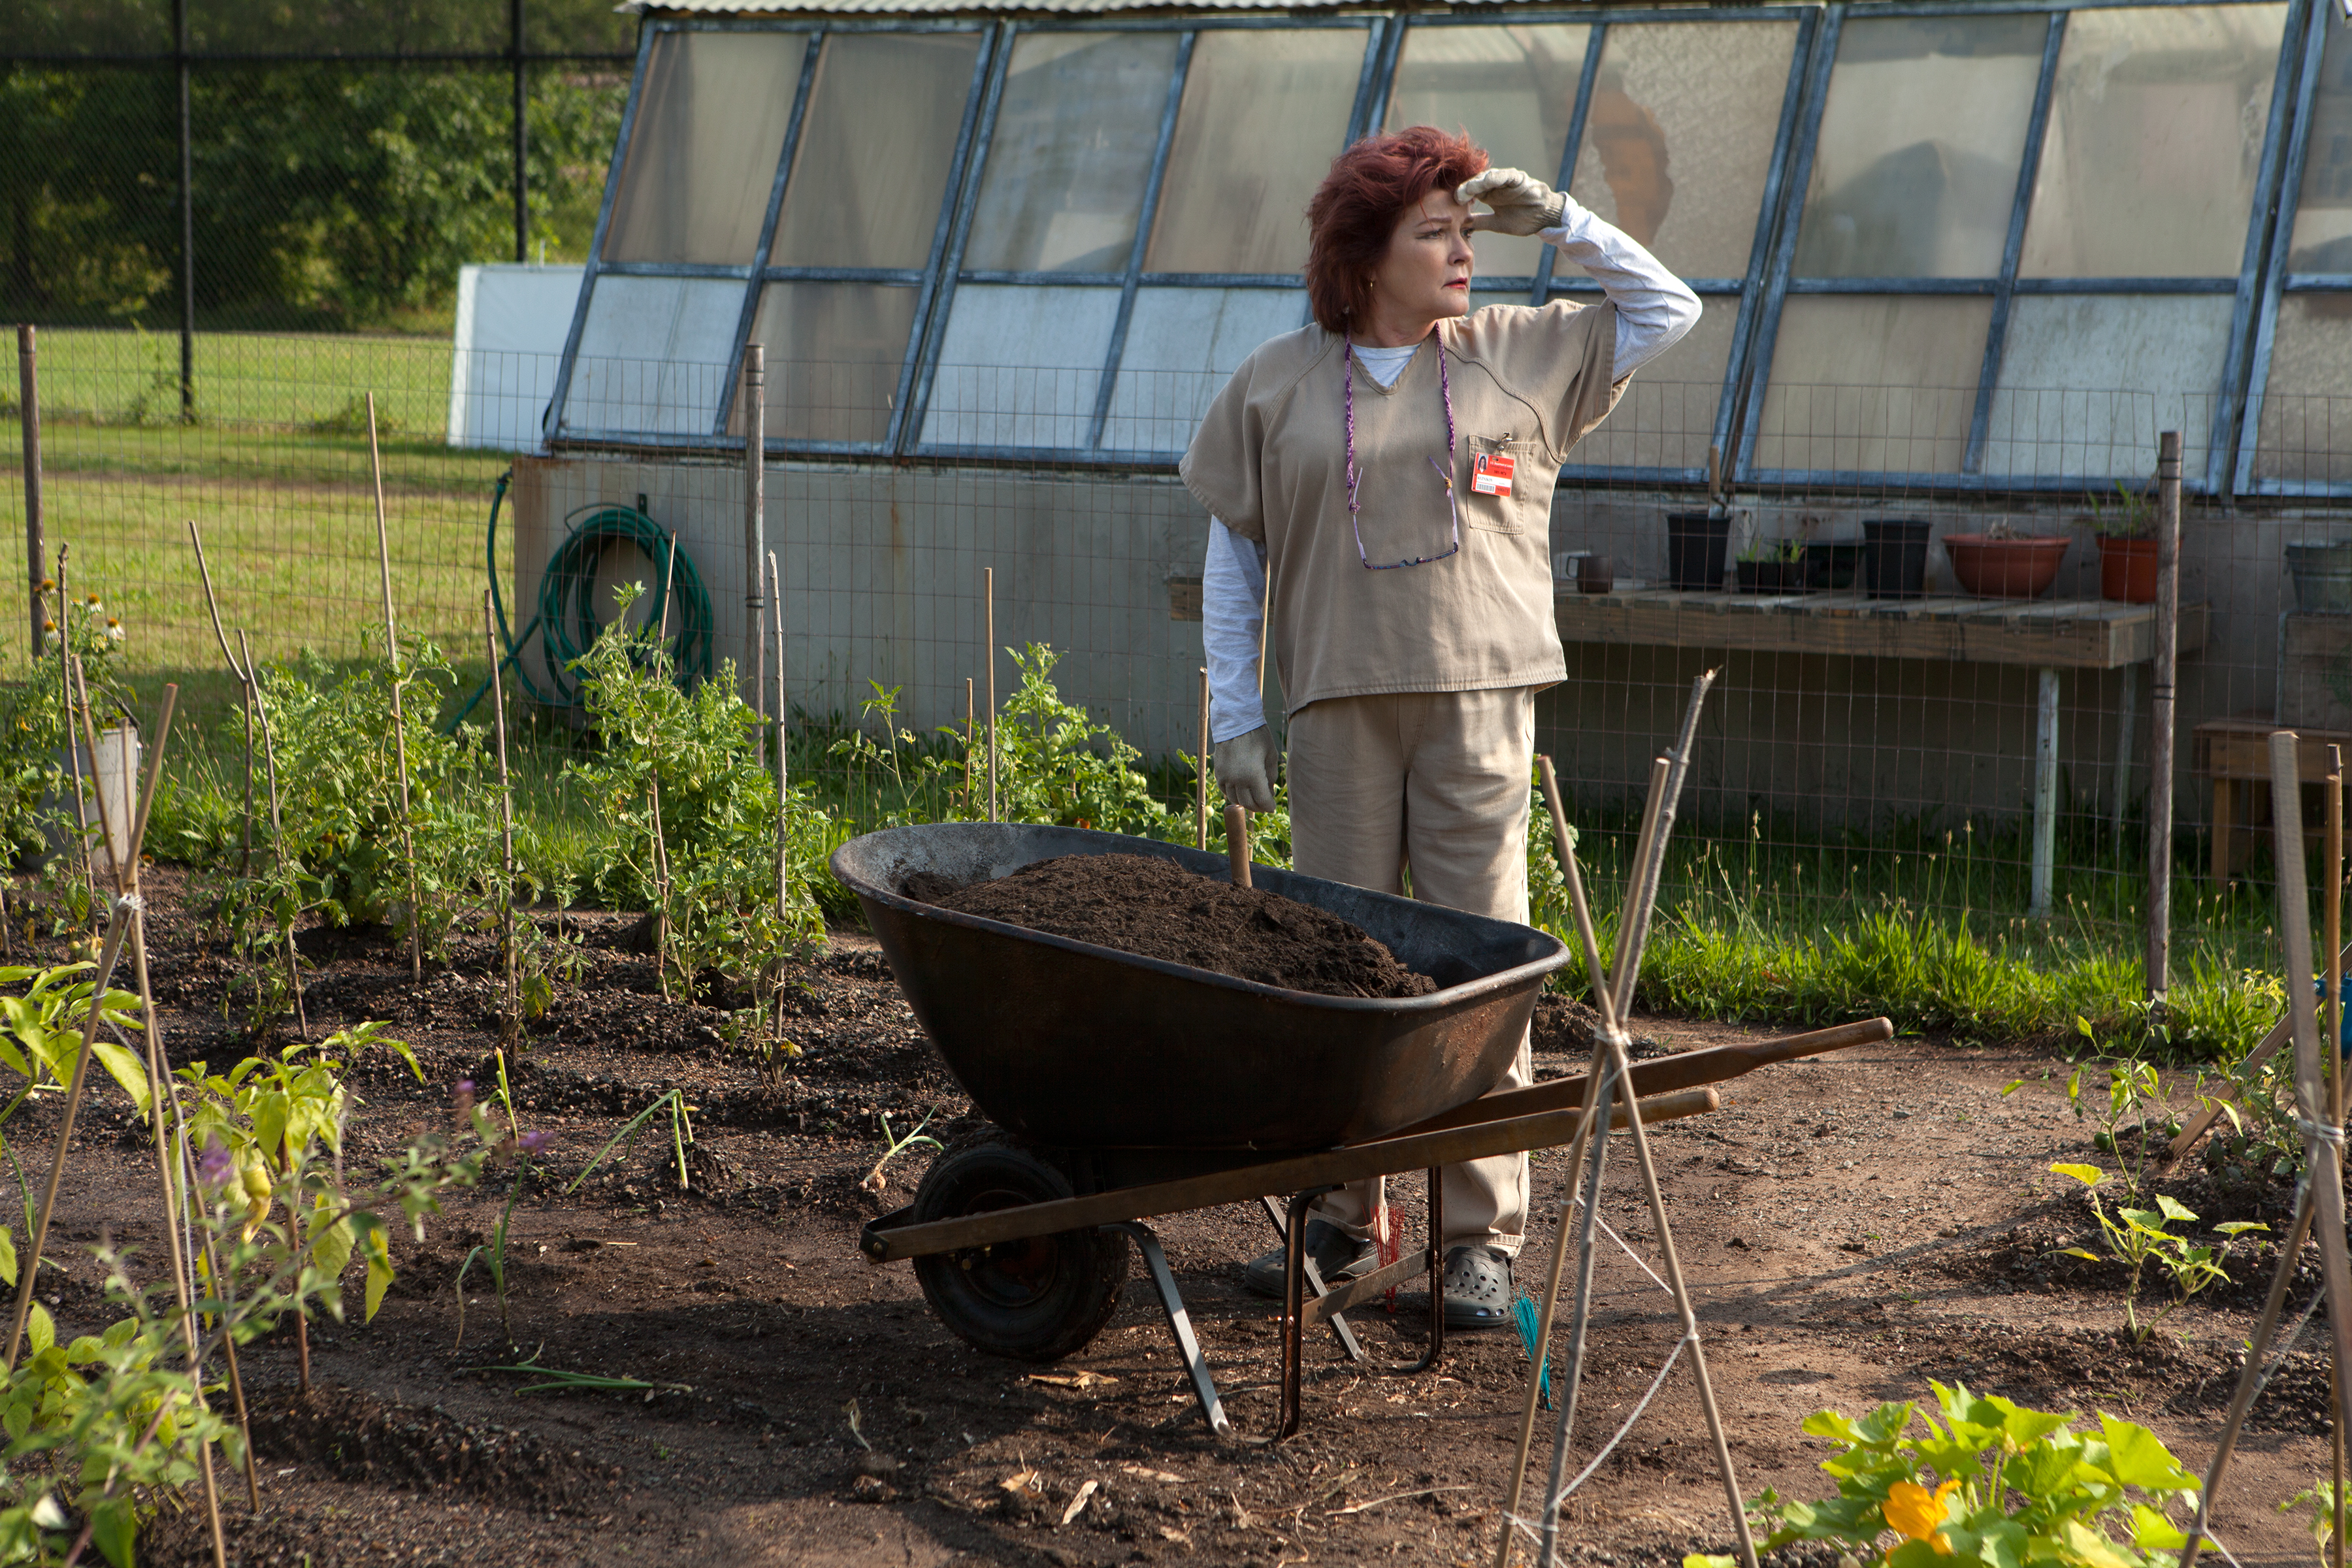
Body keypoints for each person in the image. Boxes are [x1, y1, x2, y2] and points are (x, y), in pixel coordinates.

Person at [1179, 126, 1698, 1328]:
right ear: (1364, 258)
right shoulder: (1277, 383)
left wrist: (1564, 217)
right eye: (1437, 231)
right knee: (1336, 970)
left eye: (1471, 229)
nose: (1466, 250)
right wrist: (1239, 716)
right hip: (1336, 710)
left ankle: (1480, 1242)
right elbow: (1229, 559)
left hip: (1479, 704)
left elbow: (1670, 307)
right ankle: (1344, 1226)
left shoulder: (1521, 352)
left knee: (1482, 965)